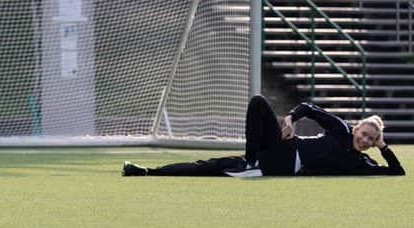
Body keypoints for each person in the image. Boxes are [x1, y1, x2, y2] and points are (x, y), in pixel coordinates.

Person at [122, 94, 404, 177]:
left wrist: (384, 146)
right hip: (282, 148)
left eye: (371, 140)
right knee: (210, 165)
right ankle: (147, 172)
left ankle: (250, 163)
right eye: (366, 133)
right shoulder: (342, 129)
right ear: (357, 127)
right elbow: (309, 107)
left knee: (218, 168)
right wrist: (291, 118)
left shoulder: (362, 163)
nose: (365, 140)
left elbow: (396, 172)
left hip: (283, 165)